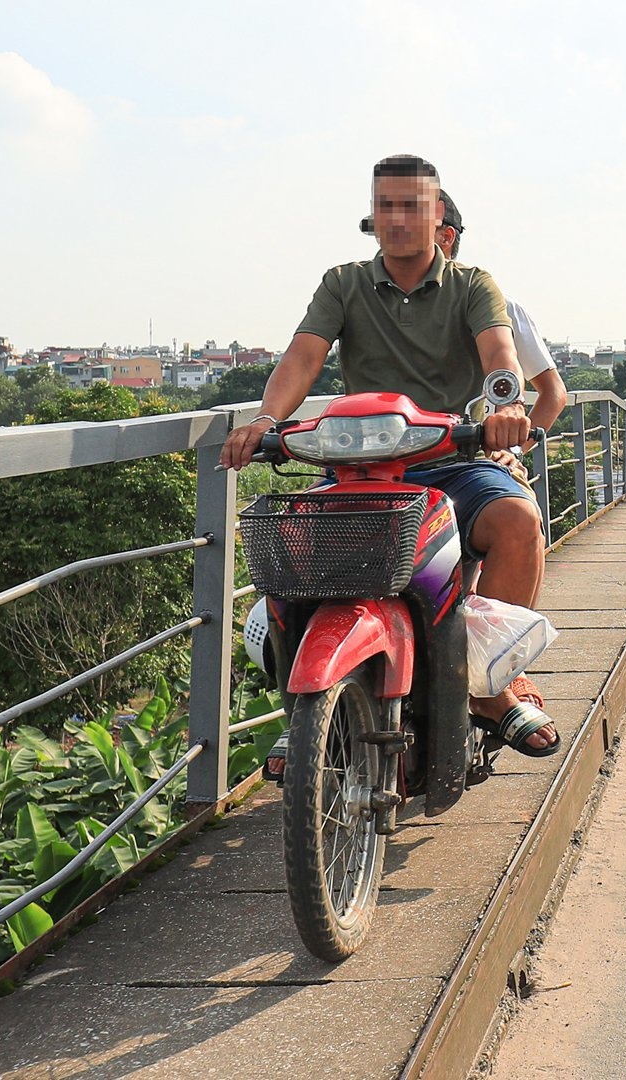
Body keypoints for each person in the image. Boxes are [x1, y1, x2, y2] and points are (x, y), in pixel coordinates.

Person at [222, 154, 557, 756]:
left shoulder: (471, 285)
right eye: (385, 207)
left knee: (517, 520)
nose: (398, 219)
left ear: (438, 219)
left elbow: (499, 353)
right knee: (291, 555)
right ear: (372, 219)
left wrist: (505, 405)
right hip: (359, 467)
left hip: (449, 458)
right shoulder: (343, 283)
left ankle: (490, 680)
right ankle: (308, 711)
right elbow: (304, 356)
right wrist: (267, 420)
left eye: (412, 206)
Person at [431, 190, 567, 450]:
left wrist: (513, 452)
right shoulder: (384, 305)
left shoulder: (501, 307)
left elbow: (554, 393)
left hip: (480, 460)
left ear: (446, 237)